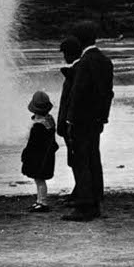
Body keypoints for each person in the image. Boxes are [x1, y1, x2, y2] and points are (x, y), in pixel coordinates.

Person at [62, 21, 114, 221]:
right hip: (96, 121)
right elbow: (107, 94)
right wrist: (103, 117)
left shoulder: (84, 63)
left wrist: (70, 120)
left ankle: (85, 206)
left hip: (81, 121)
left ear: (79, 40)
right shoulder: (105, 61)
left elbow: (78, 95)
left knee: (81, 161)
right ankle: (95, 202)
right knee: (94, 159)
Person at [21, 90, 59, 212]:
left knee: (39, 179)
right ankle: (40, 201)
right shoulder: (49, 121)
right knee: (40, 179)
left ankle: (42, 202)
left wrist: (25, 154)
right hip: (46, 156)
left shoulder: (38, 126)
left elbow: (32, 144)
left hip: (38, 158)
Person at [55, 35, 82, 198]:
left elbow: (70, 101)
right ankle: (79, 189)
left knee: (76, 159)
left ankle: (80, 190)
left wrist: (65, 123)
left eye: (65, 53)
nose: (64, 57)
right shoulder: (75, 71)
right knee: (75, 159)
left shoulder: (76, 72)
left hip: (71, 124)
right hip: (69, 123)